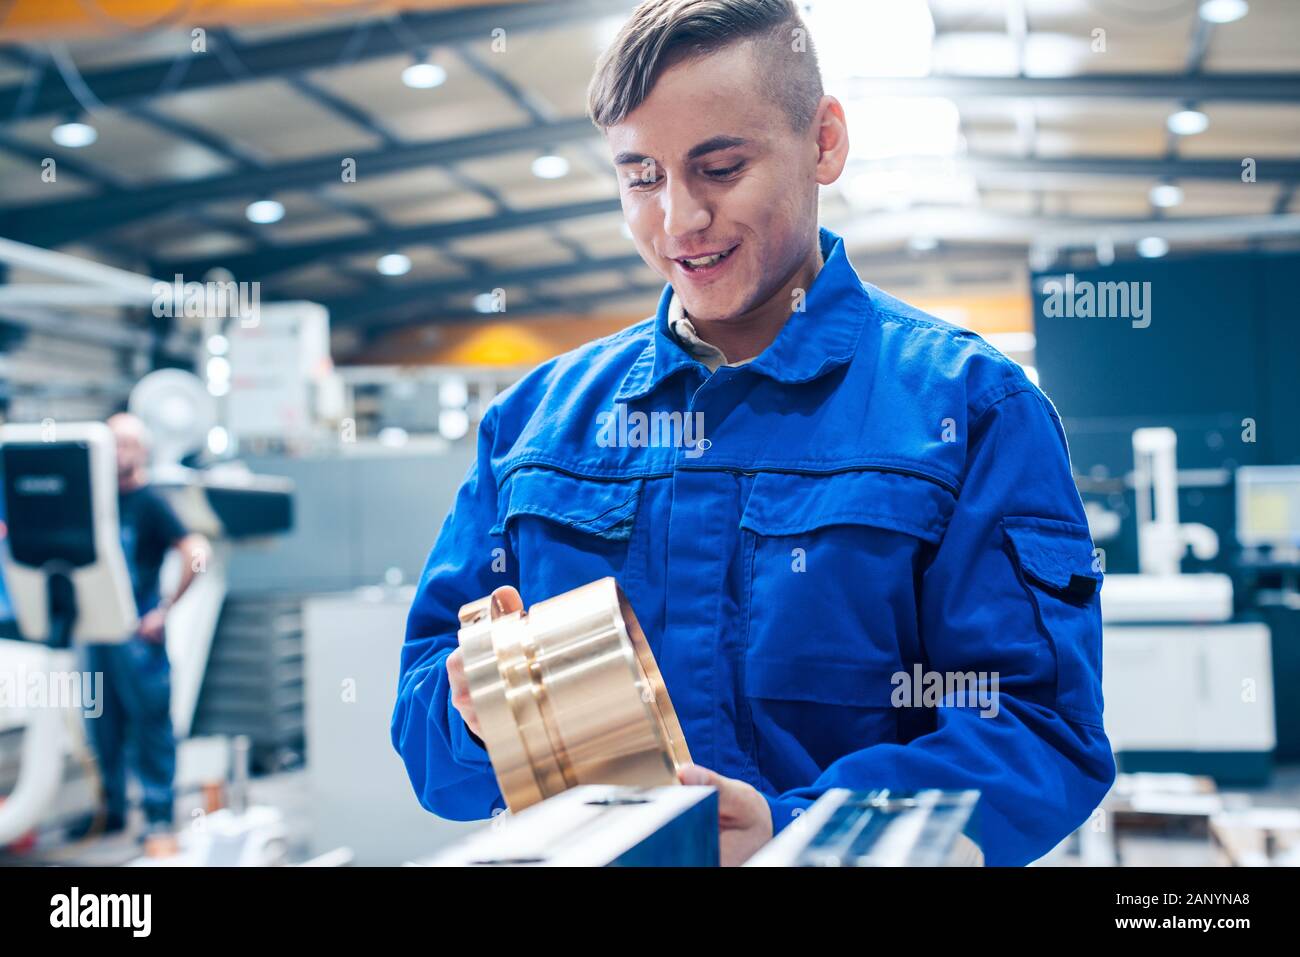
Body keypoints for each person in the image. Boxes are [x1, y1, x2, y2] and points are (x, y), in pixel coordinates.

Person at [392, 0, 1115, 866]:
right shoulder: (534, 425)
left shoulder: (967, 409)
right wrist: (474, 713)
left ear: (824, 143)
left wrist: (797, 829)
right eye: (641, 177)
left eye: (720, 167)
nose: (677, 220)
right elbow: (428, 741)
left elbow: (1038, 731)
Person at [72, 412, 206, 840]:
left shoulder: (150, 502)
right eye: (111, 443)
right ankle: (110, 810)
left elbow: (196, 551)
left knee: (150, 724)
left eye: (126, 443)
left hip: (137, 637)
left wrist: (165, 609)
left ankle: (157, 813)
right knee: (101, 724)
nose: (117, 452)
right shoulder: (95, 501)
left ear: (143, 450)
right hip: (95, 634)